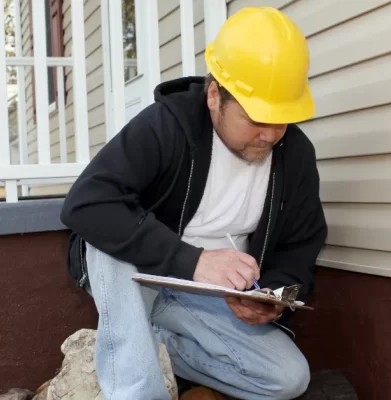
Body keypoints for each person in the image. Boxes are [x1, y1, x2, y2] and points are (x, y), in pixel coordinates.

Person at [60, 6, 327, 400]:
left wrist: (272, 295)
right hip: (141, 277)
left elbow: (300, 243)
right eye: (257, 117)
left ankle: (151, 346)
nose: (271, 134)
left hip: (208, 298)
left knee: (287, 378)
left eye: (282, 118)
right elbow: (86, 204)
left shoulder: (296, 154)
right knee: (107, 239)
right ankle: (137, 390)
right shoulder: (166, 126)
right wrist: (195, 261)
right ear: (215, 96)